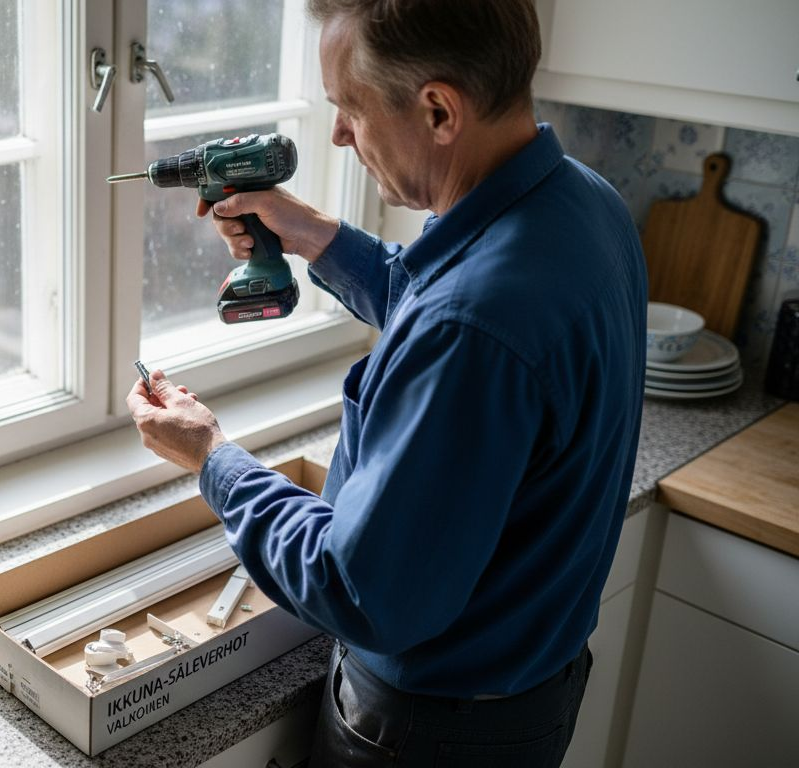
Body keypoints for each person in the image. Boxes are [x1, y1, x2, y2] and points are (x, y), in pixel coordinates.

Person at [125, 0, 646, 765]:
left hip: (433, 734)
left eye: (351, 108)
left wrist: (212, 458)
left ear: (438, 109)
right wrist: (316, 237)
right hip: (531, 695)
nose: (338, 133)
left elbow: (357, 589)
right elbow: (444, 300)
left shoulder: (472, 327)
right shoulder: (583, 202)